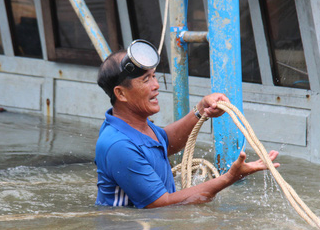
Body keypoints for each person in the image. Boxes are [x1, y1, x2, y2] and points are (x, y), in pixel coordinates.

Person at [95, 40, 279, 208]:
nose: (156, 85)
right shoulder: (118, 145)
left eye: (154, 76)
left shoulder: (135, 124)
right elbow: (162, 206)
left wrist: (201, 110)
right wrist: (230, 177)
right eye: (146, 79)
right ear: (121, 94)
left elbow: (165, 142)